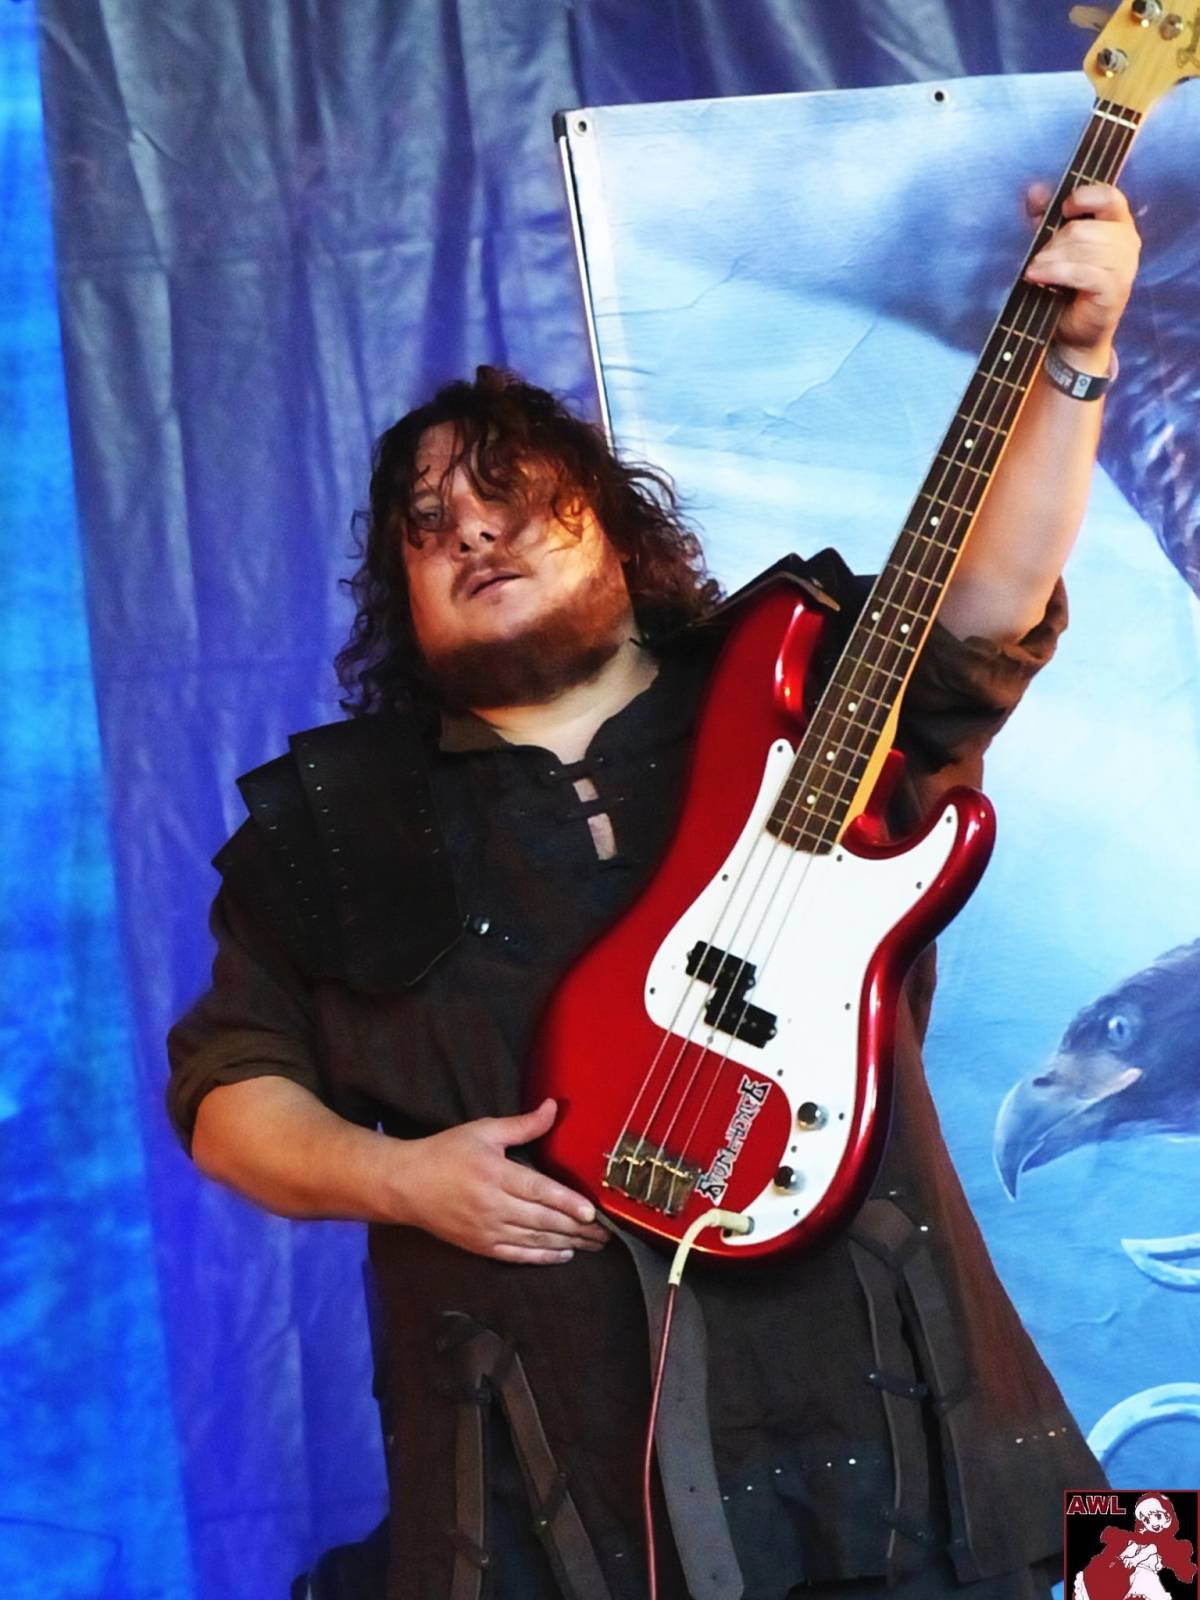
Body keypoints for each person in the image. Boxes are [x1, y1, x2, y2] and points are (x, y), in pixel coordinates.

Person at [167, 182, 1141, 1600]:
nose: (474, 533)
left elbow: (990, 609)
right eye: (431, 526)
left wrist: (1079, 356)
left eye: (514, 498)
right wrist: (400, 1179)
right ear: (401, 595)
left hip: (932, 1434)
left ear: (620, 531)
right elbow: (227, 1095)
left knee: (1134, 1580)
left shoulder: (808, 684)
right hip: (545, 1490)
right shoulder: (330, 824)